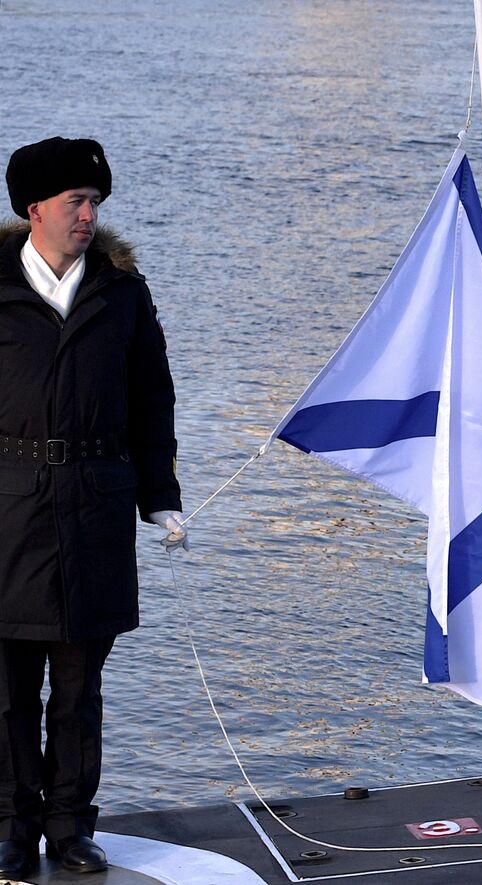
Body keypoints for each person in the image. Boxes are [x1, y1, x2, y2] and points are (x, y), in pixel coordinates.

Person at [0, 137, 186, 876]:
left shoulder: (122, 293)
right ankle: (13, 825)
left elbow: (153, 400)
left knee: (79, 686)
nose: (88, 214)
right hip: (8, 510)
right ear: (34, 207)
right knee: (9, 688)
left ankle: (71, 825)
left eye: (96, 203)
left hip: (95, 512)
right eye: (76, 201)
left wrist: (160, 498)